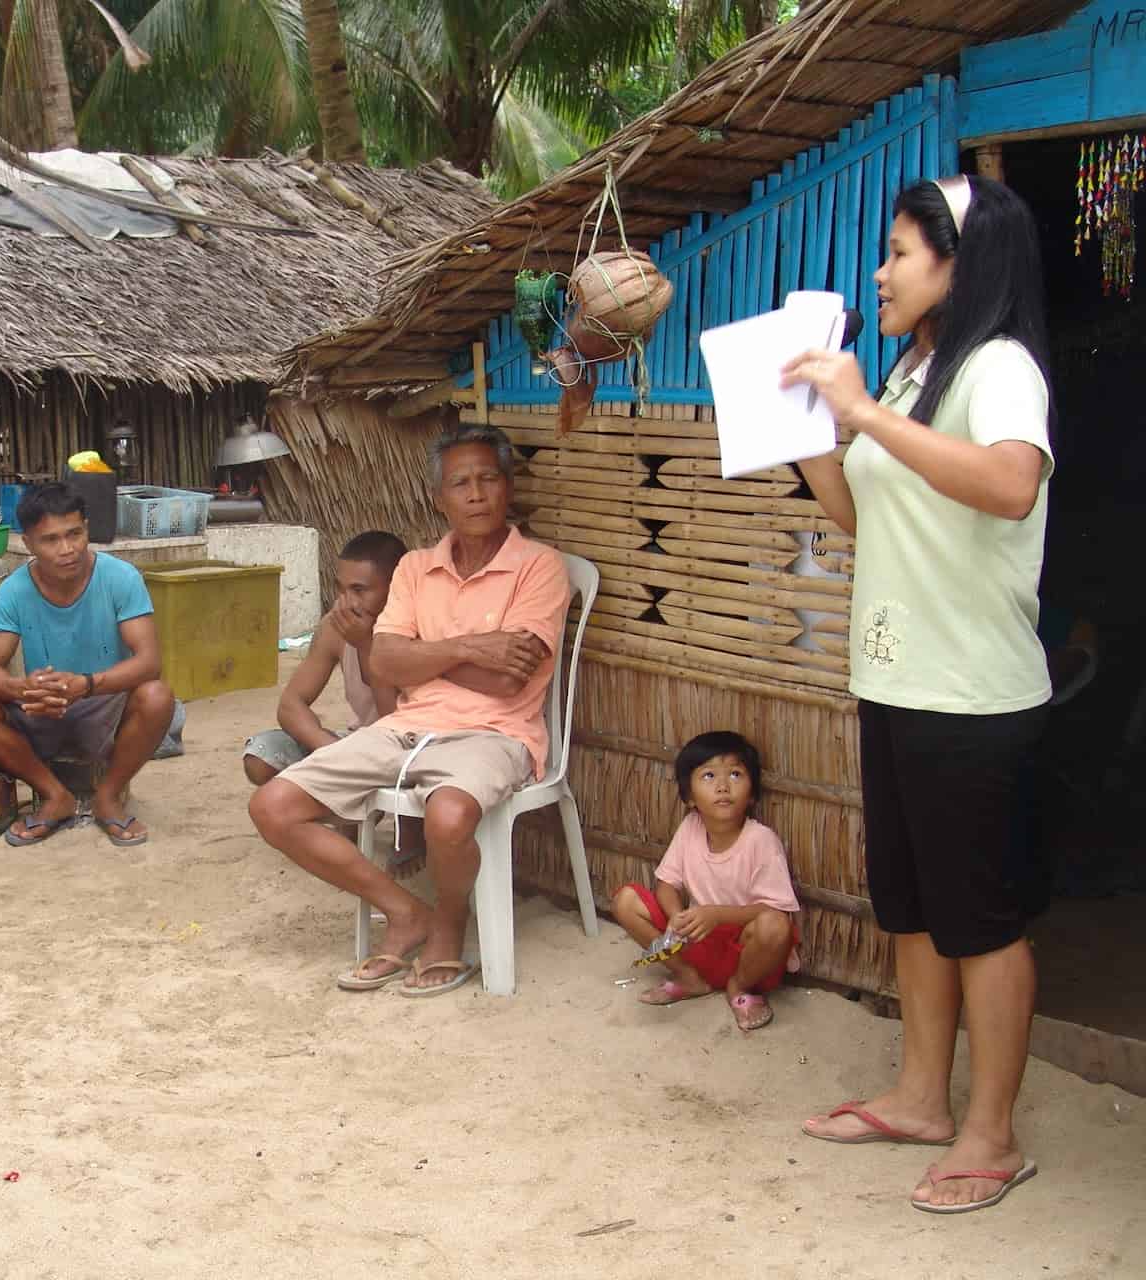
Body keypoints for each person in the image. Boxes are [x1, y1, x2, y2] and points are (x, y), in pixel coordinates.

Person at [781, 176, 1054, 1215]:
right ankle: (918, 1096)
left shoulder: (998, 368)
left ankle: (991, 1132)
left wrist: (857, 412)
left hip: (972, 696)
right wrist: (815, 428)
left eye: (898, 252)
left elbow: (1006, 483)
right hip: (893, 679)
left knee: (978, 919)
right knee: (910, 906)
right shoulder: (910, 373)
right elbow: (865, 516)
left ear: (960, 260)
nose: (880, 272)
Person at [249, 423, 570, 996]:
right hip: (406, 726)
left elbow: (505, 679)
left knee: (447, 816)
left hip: (495, 731)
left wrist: (422, 657)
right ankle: (404, 911)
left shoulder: (540, 566)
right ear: (438, 497)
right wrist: (471, 647)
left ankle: (448, 922)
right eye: (459, 483)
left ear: (508, 486)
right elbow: (386, 664)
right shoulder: (417, 567)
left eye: (487, 479)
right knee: (274, 806)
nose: (475, 494)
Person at [0, 483, 175, 848]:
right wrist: (23, 688)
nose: (67, 549)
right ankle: (54, 796)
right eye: (51, 540)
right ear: (28, 544)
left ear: (87, 527)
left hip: (104, 703)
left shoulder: (120, 578)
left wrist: (85, 685)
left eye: (75, 534)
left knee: (157, 697)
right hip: (43, 709)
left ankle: (108, 797)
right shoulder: (14, 590)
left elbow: (150, 662)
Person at [610, 731, 798, 1031]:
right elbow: (666, 884)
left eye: (735, 774)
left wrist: (717, 915)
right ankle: (689, 979)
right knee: (626, 900)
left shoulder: (761, 840)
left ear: (752, 794)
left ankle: (739, 989)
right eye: (709, 776)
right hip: (697, 941)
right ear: (688, 797)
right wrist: (675, 917)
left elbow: (777, 910)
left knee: (776, 925)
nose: (723, 786)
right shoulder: (690, 827)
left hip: (748, 955)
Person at [241, 530, 406, 784]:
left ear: (395, 587)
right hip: (356, 744)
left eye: (359, 590)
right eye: (340, 588)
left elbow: (396, 724)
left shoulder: (415, 629)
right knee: (261, 756)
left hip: (404, 748)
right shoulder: (335, 627)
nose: (346, 602)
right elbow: (290, 704)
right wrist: (332, 749)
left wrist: (365, 645)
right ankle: (344, 813)